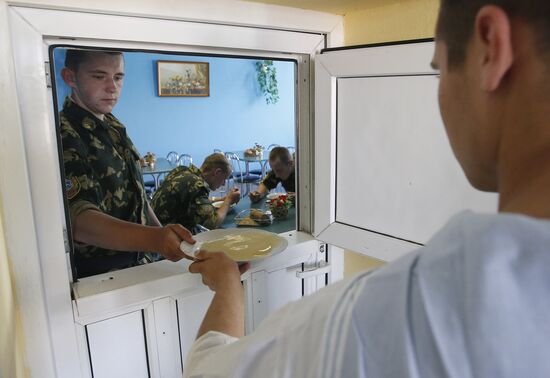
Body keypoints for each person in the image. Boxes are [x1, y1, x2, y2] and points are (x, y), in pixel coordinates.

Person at [183, 0, 550, 376]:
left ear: (491, 47)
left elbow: (207, 370)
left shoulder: (386, 319)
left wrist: (228, 287)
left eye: (439, 72)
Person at [60, 49, 194, 278]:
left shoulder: (111, 124)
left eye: (118, 77)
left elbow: (138, 192)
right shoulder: (64, 132)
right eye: (99, 76)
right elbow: (79, 221)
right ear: (70, 78)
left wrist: (161, 234)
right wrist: (156, 239)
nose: (112, 87)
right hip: (103, 275)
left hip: (141, 262)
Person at [151, 153, 241, 232]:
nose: (223, 184)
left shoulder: (182, 171)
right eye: (224, 179)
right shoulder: (196, 184)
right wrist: (229, 200)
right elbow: (212, 223)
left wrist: (221, 199)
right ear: (217, 172)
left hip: (154, 227)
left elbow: (195, 202)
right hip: (166, 236)